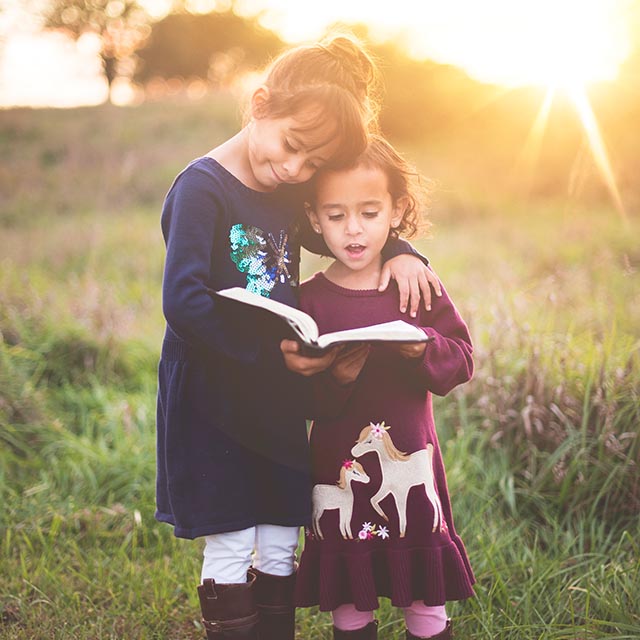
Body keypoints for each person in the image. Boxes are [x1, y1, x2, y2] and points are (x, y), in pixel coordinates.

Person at [155, 35, 441, 640]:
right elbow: (181, 301)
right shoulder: (202, 189)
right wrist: (266, 355)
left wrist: (404, 250)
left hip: (279, 396)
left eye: (311, 165)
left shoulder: (286, 194)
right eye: (292, 147)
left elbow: (340, 230)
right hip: (214, 398)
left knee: (283, 535)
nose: (294, 170)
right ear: (260, 105)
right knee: (233, 536)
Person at [294, 135, 475, 640]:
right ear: (313, 218)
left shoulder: (414, 285)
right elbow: (299, 400)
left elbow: (461, 361)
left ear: (396, 211)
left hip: (412, 466)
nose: (353, 228)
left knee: (425, 601)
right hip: (338, 469)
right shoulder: (308, 302)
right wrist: (338, 378)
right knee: (350, 604)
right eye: (335, 216)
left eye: (369, 212)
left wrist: (422, 350)